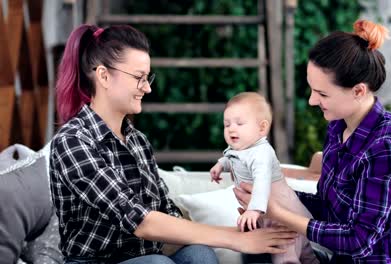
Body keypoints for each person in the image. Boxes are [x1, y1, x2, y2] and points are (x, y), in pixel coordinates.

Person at [49, 24, 297, 264]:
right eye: (138, 77)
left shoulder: (137, 141)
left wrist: (246, 229)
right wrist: (234, 239)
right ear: (103, 75)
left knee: (199, 255)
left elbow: (166, 211)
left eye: (148, 78)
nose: (146, 88)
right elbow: (141, 222)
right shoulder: (73, 141)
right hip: (97, 261)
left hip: (149, 258)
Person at [235, 19, 391, 263]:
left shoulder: (388, 146)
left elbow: (358, 241)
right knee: (258, 247)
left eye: (323, 93)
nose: (312, 101)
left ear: (358, 91)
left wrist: (280, 213)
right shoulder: (338, 127)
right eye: (312, 89)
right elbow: (330, 209)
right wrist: (269, 198)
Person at [210, 92, 318, 264]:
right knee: (307, 258)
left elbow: (261, 182)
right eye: (227, 124)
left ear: (261, 128)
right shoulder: (241, 149)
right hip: (268, 219)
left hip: (285, 221)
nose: (231, 128)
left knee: (285, 257)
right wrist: (221, 165)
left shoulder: (262, 153)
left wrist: (254, 210)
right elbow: (232, 158)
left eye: (239, 123)